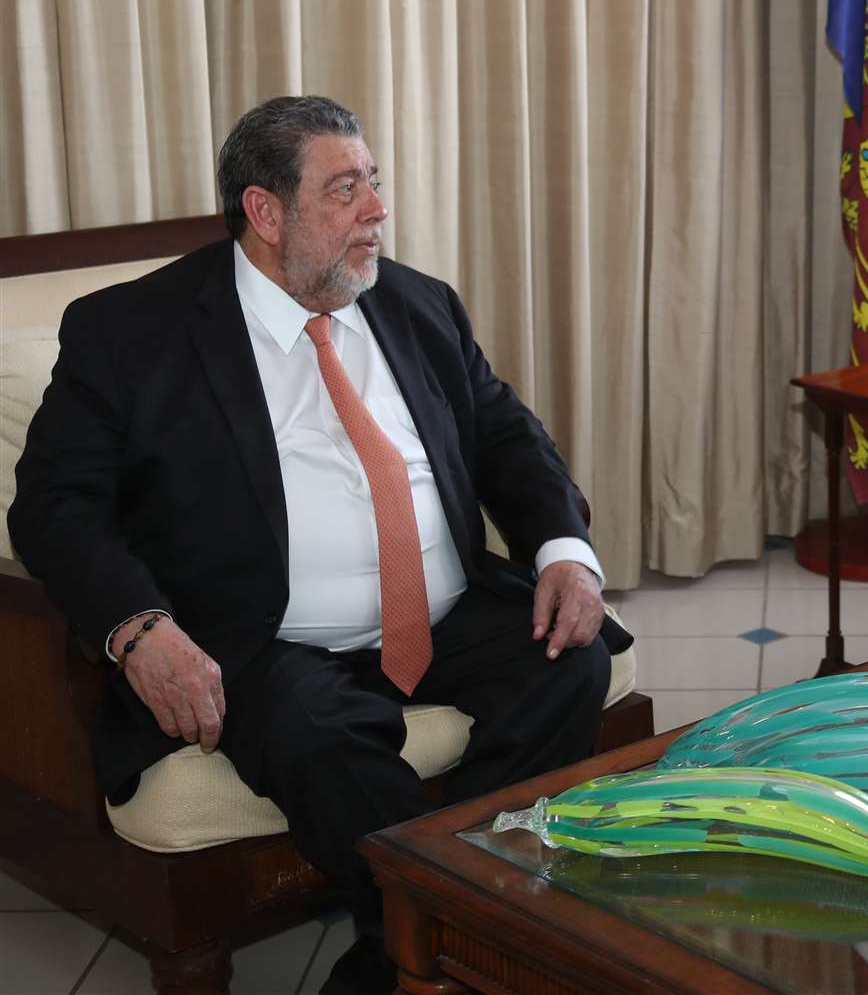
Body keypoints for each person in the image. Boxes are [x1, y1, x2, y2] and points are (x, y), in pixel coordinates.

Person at [8, 95, 632, 995]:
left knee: (572, 660)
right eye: (346, 190)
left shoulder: (417, 304)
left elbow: (506, 438)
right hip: (263, 637)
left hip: (445, 615)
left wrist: (564, 552)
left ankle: (410, 949)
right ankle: (472, 936)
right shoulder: (132, 332)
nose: (378, 209)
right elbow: (53, 505)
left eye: (374, 182)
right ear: (266, 212)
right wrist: (139, 629)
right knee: (319, 735)